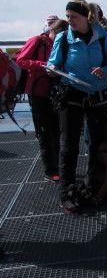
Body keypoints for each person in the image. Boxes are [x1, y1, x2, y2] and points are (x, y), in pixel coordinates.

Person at [47, 0, 107, 213]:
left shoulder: (103, 37)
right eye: (68, 17)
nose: (69, 21)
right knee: (69, 145)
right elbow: (54, 62)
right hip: (72, 93)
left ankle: (93, 189)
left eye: (73, 17)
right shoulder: (63, 38)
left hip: (97, 94)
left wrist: (106, 70)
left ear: (85, 17)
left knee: (97, 143)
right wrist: (52, 68)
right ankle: (67, 194)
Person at [15, 19, 68, 182]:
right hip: (37, 93)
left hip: (53, 93)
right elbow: (21, 61)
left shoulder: (60, 44)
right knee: (45, 133)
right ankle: (50, 170)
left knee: (56, 131)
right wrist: (43, 65)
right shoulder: (37, 41)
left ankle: (57, 166)